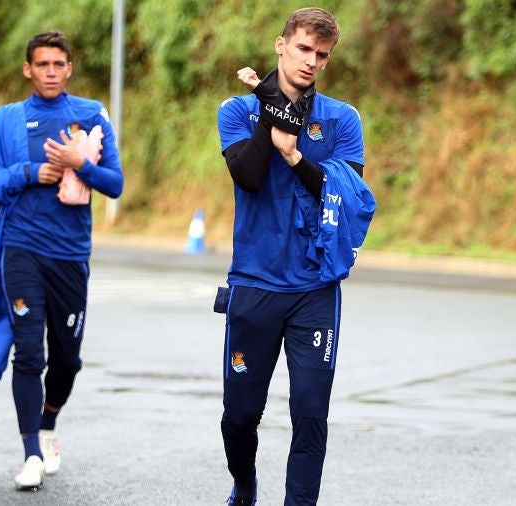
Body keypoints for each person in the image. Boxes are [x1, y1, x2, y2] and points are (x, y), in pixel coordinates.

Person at [216, 7, 375, 505]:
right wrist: (270, 113)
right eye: (304, 48)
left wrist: (295, 154)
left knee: (310, 412)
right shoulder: (236, 112)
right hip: (255, 283)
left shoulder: (341, 119)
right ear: (281, 45)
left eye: (321, 55)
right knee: (240, 415)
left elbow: (346, 195)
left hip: (314, 287)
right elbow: (248, 175)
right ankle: (245, 485)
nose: (311, 61)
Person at [0, 30, 123, 489]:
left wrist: (78, 163)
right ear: (28, 69)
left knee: (66, 359)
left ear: (69, 68)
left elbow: (115, 184)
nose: (50, 72)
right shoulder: (5, 123)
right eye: (41, 64)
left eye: (58, 64)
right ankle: (30, 453)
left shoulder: (90, 116)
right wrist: (31, 172)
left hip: (70, 255)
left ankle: (48, 423)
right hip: (21, 251)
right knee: (29, 352)